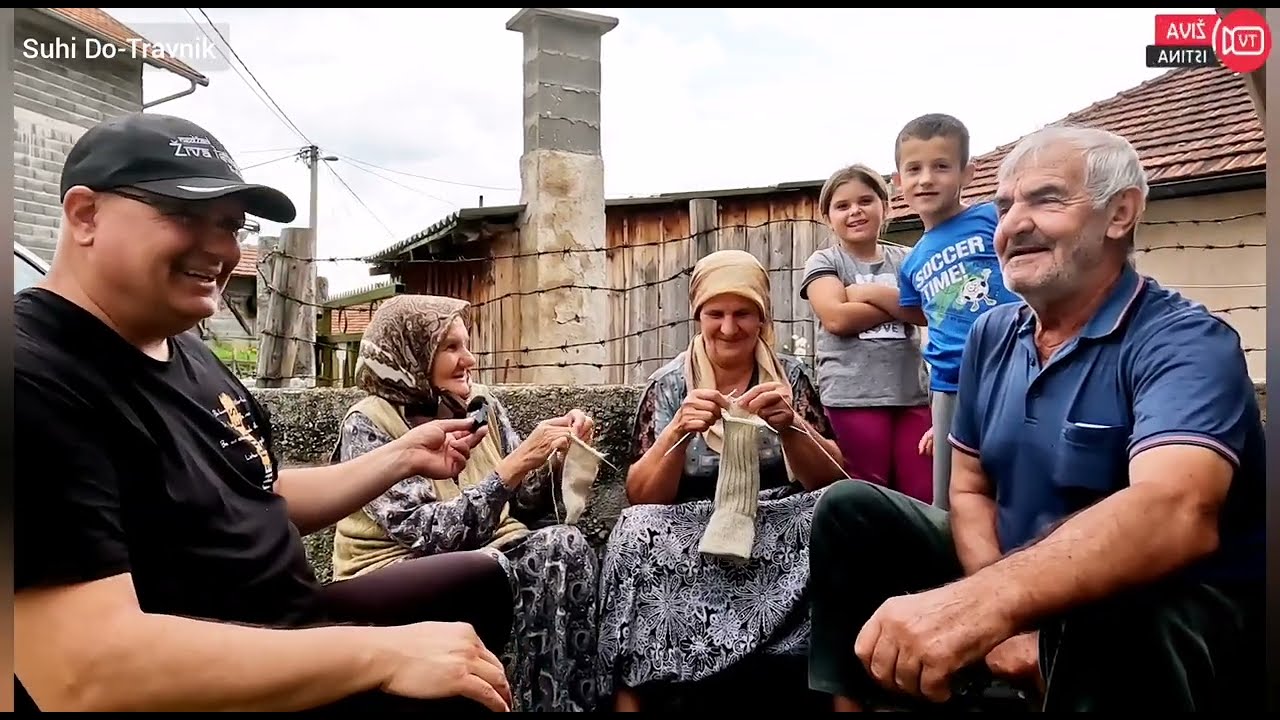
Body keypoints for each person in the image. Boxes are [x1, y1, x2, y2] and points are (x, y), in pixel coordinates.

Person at [14, 112, 517, 713]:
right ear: (85, 215)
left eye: (232, 226)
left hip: (289, 622)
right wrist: (384, 655)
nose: (222, 249)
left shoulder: (186, 351)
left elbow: (255, 496)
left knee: (486, 585)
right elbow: (83, 673)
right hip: (207, 681)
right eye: (185, 215)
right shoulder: (33, 376)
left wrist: (402, 457)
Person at [805, 125, 1266, 712]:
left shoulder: (1184, 342)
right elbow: (969, 488)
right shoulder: (991, 334)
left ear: (1120, 213)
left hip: (1162, 607)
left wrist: (988, 605)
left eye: (1046, 200)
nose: (1013, 225)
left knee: (1113, 609)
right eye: (1004, 208)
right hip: (1013, 572)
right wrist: (1000, 605)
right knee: (850, 508)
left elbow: (1175, 512)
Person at [596, 249, 848, 711]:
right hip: (691, 528)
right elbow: (641, 496)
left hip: (774, 521)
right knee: (633, 532)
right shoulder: (670, 385)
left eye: (743, 314)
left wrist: (793, 426)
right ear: (698, 317)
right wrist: (677, 430)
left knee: (837, 512)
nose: (729, 328)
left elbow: (831, 478)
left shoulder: (790, 378)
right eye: (716, 314)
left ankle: (841, 693)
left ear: (762, 318)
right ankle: (631, 698)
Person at [330, 293, 604, 713]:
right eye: (451, 347)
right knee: (520, 560)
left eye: (467, 345)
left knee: (568, 545)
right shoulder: (370, 423)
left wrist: (557, 457)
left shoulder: (481, 404)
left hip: (488, 551)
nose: (469, 360)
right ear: (413, 354)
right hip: (394, 569)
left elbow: (524, 502)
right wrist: (515, 464)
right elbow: (430, 535)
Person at [853, 114, 1022, 509]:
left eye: (941, 166)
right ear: (898, 181)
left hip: (1009, 368)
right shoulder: (913, 262)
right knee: (950, 499)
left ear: (967, 173)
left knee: (1011, 484)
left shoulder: (992, 218)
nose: (926, 179)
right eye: (914, 169)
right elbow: (920, 313)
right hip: (948, 386)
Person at [800, 163, 933, 503]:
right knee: (866, 494)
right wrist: (899, 303)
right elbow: (836, 319)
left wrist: (867, 293)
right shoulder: (825, 261)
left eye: (865, 201)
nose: (855, 211)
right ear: (828, 217)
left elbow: (927, 312)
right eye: (842, 206)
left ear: (884, 206)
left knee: (921, 493)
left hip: (910, 394)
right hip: (852, 397)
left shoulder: (907, 259)